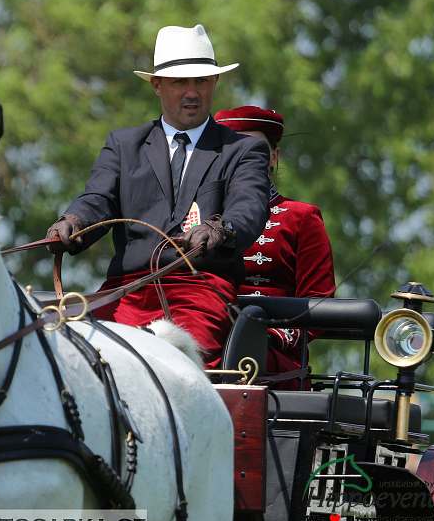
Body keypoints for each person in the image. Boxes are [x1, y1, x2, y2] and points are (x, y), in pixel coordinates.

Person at [46, 24, 271, 369]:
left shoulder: (243, 149)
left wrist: (219, 229)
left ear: (216, 83)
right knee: (67, 356)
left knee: (173, 366)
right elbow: (96, 200)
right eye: (180, 82)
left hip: (200, 292)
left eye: (201, 81)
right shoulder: (123, 146)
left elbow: (249, 207)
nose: (192, 92)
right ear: (157, 85)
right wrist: (71, 222)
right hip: (125, 291)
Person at [215, 106, 335, 389]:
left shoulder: (301, 218)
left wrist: (267, 336)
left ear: (273, 158)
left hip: (271, 357)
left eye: (252, 149)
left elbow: (318, 301)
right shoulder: (192, 218)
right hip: (203, 333)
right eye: (231, 149)